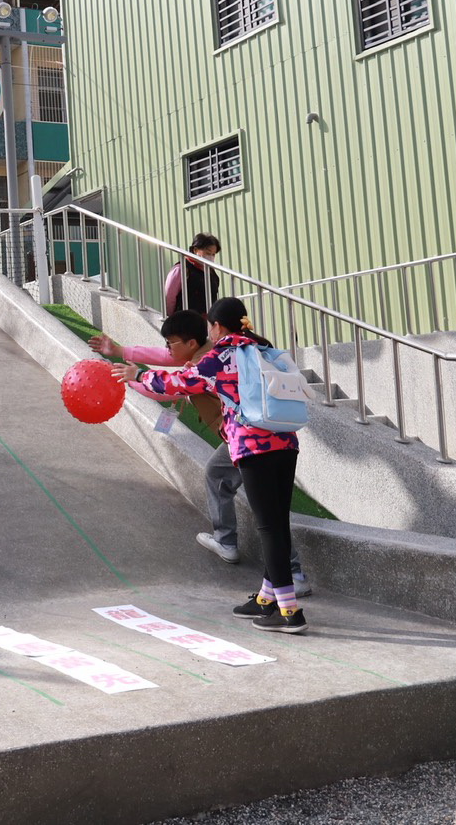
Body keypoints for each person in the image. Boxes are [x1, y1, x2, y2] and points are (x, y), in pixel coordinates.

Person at [113, 297, 309, 633]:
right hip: (286, 442)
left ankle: (289, 611)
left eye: (211, 327)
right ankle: (267, 599)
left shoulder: (223, 355)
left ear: (217, 326)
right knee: (276, 523)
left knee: (269, 528)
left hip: (253, 447)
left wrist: (139, 375)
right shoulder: (264, 349)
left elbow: (181, 381)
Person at [163, 233, 221, 316]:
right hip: (185, 319)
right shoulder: (181, 269)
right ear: (195, 250)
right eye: (208, 253)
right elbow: (169, 296)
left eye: (213, 254)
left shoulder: (211, 271)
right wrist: (172, 317)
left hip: (206, 320)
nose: (211, 257)